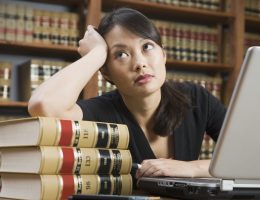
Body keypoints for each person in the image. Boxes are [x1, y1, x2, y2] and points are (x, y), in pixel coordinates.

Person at [28, 8, 226, 180]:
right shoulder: (101, 113)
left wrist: (192, 168)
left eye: (147, 46)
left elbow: (251, 156)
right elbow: (44, 105)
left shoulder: (197, 99)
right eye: (121, 54)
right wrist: (96, 54)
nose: (140, 63)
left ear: (163, 54)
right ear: (106, 72)